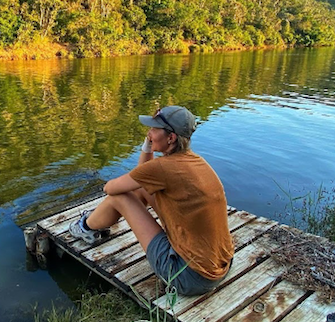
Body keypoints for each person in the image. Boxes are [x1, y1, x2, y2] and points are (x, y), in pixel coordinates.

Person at [69, 105, 234, 296]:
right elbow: (143, 178)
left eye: (154, 129)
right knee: (139, 188)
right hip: (222, 265)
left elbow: (110, 188)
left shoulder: (163, 168)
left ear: (171, 138)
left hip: (188, 278)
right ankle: (97, 222)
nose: (149, 132)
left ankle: (86, 227)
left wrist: (147, 148)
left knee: (120, 197)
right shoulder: (195, 162)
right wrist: (150, 144)